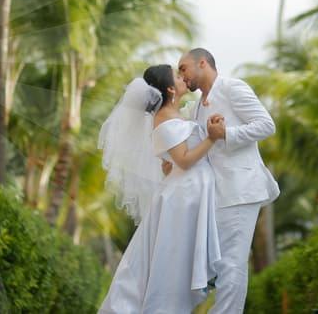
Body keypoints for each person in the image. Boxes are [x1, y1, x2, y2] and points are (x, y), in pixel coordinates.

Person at [98, 64, 227, 313]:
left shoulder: (175, 115)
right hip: (182, 197)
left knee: (174, 261)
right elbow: (185, 160)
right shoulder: (164, 118)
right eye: (177, 76)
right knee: (171, 264)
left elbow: (175, 159)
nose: (182, 78)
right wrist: (212, 137)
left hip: (188, 191)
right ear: (170, 88)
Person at [174, 48, 280, 314]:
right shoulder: (197, 107)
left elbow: (266, 125)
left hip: (241, 188)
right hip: (217, 195)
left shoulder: (232, 88)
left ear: (202, 63)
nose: (181, 75)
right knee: (219, 264)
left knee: (232, 263)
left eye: (183, 68)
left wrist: (226, 134)